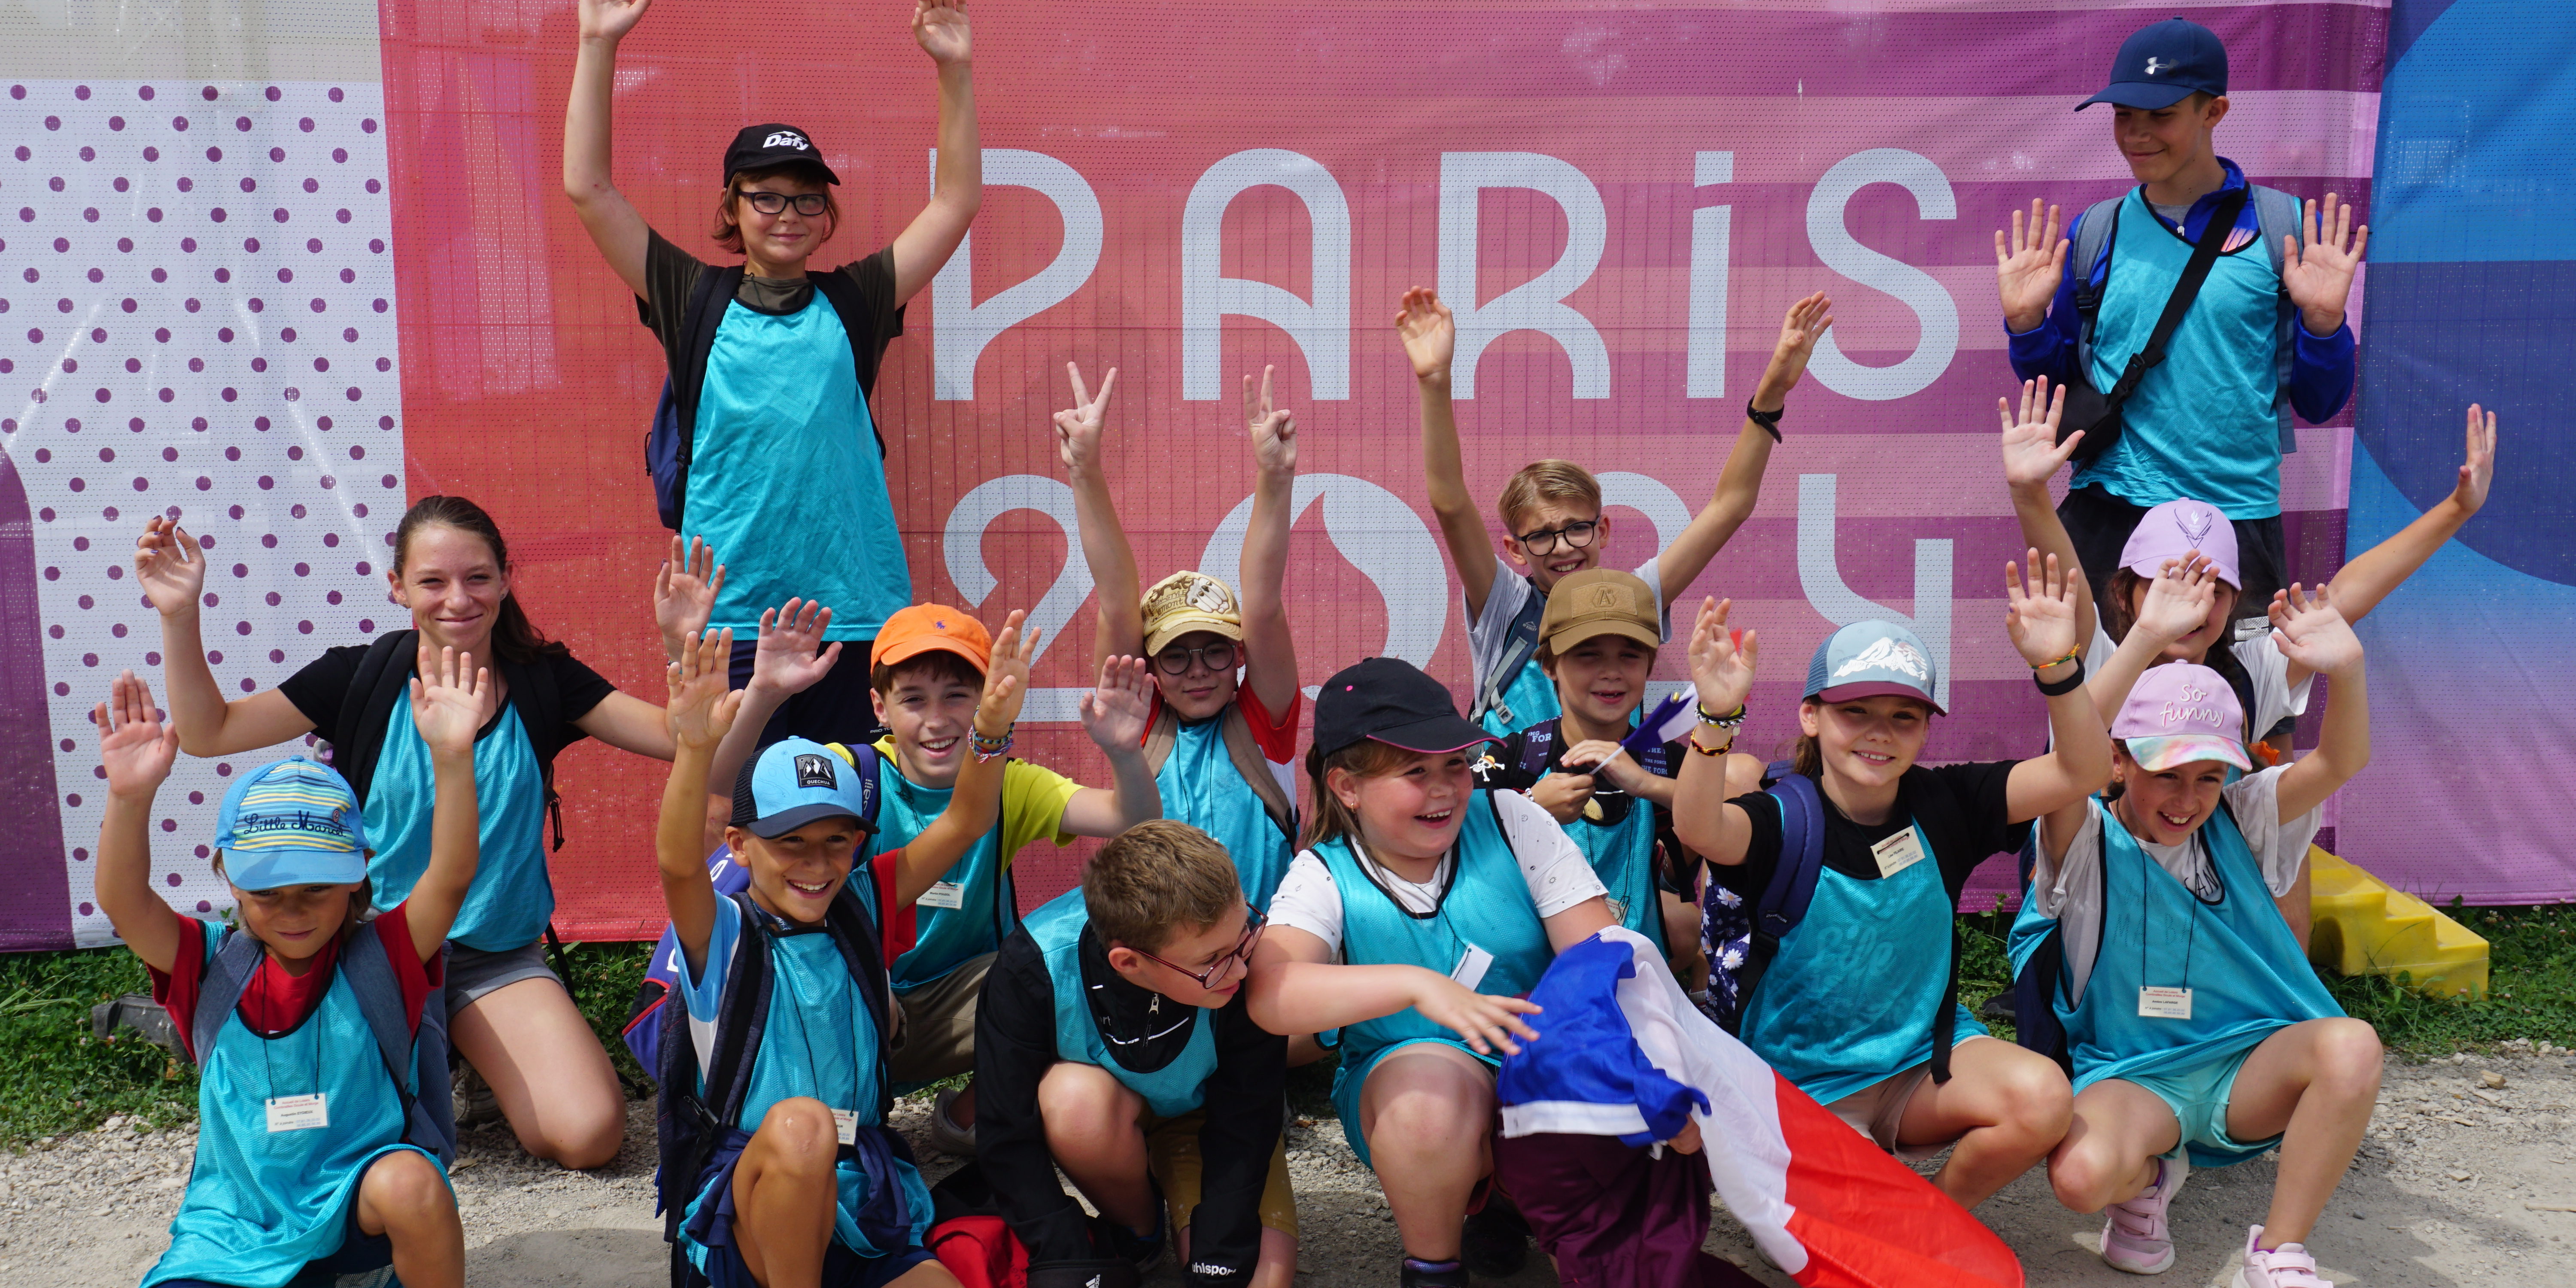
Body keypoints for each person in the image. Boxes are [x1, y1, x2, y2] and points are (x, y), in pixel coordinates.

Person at [137, 497, 680, 1169]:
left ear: (507, 579)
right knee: (332, 1147)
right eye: (433, 581)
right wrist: (179, 615)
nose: (459, 598)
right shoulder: (359, 678)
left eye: (478, 577)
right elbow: (208, 731)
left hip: (493, 957)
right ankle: (261, 1018)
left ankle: (475, 1060)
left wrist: (682, 650)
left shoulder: (544, 681)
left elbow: (679, 739)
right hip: (367, 953)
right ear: (398, 587)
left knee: (589, 1135)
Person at [562, 0, 982, 747]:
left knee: (846, 812)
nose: (787, 213)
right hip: (729, 617)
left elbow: (954, 204)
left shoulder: (857, 299)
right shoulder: (689, 295)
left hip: (851, 613)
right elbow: (588, 190)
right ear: (732, 206)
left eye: (807, 199)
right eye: (766, 196)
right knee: (742, 815)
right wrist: (597, 44)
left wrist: (954, 70)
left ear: (826, 215)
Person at [1667, 568, 2108, 1210]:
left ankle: (1940, 1223)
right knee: (1867, 1215)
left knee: (2042, 1098)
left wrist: (2058, 668)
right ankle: (1849, 1202)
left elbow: (2085, 770)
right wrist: (1715, 719)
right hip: (1802, 1087)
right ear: (1811, 717)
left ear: (1926, 730)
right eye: (1856, 713)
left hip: (1919, 1066)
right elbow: (1699, 826)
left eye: (1904, 717)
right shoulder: (1782, 821)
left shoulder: (1946, 802)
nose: (1880, 732)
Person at [650, 617, 1036, 1288]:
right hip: (754, 1203)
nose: (816, 863)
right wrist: (692, 747)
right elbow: (679, 863)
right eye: (789, 842)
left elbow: (969, 819)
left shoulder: (864, 902)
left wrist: (993, 730)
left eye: (837, 840)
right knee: (801, 1128)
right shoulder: (724, 932)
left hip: (862, 1193)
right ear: (740, 847)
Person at [712, 601, 1162, 1156]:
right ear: (880, 706)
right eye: (914, 699)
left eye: (957, 695)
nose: (938, 718)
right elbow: (730, 791)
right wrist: (764, 695)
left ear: (988, 701)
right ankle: (831, 1124)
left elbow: (1132, 821)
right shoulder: (851, 776)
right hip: (841, 1002)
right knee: (817, 1146)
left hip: (957, 1008)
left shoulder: (1009, 784)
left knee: (1067, 961)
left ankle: (972, 1114)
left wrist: (1123, 751)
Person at [2014, 605, 2378, 1287]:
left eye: (2209, 776)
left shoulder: (2243, 815)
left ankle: (2277, 1253)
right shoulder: (2083, 838)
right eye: (2168, 774)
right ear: (2117, 760)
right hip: (2134, 1075)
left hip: (2247, 1066)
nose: (2188, 799)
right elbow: (2069, 761)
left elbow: (2342, 760)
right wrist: (2137, 642)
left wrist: (2349, 670)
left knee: (2352, 1044)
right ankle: (2153, 1176)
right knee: (2079, 1180)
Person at [95, 656, 486, 1288]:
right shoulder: (208, 964)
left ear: (358, 873)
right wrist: (130, 794)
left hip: (358, 1215)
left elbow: (453, 872)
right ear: (230, 880)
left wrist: (452, 757)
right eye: (268, 892)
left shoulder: (386, 955)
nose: (293, 910)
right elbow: (123, 900)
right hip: (234, 1230)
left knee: (411, 1182)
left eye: (316, 889)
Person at [1247, 658, 1616, 1288]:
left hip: (1541, 1055)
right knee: (1426, 1099)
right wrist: (1419, 985)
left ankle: (1557, 1226)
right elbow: (1271, 995)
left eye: (1455, 765)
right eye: (1415, 771)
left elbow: (1602, 963)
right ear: (1346, 786)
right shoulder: (1323, 872)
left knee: (1591, 1066)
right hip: (1411, 1094)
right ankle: (1434, 1269)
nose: (1445, 788)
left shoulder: (1511, 816)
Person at [1994, 16, 2365, 612]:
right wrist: (2026, 326)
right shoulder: (2096, 231)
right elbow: (2057, 392)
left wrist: (2324, 325)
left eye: (2160, 116)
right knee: (2088, 702)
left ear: (2214, 112)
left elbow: (2320, 404)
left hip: (2234, 519)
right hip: (2108, 512)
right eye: (2124, 116)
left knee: (2232, 704)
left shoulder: (2285, 230)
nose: (2137, 135)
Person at [1397, 288, 1831, 736]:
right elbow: (1450, 503)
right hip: (1517, 797)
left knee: (1740, 777)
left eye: (1577, 528)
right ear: (1515, 549)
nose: (1564, 547)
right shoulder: (1505, 604)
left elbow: (1729, 507)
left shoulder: (1634, 596)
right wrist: (1434, 381)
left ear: (1602, 529)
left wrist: (1772, 391)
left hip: (1619, 790)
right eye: (1542, 536)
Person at [975, 820, 1298, 1288]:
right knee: (1071, 1100)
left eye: (1244, 936)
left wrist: (1217, 1256)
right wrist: (1063, 1256)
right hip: (1105, 1115)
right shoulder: (1033, 965)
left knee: (1255, 1280)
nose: (1242, 967)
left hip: (1213, 1120)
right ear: (1128, 963)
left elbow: (1248, 1119)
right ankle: (1139, 1234)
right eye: (1212, 961)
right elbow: (1005, 1129)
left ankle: (1179, 1223)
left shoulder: (1235, 959)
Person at [1056, 361, 1303, 908]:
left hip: (1257, 959)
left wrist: (1275, 476)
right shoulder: (1138, 727)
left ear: (1240, 656)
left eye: (1215, 652)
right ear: (1147, 668)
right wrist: (1085, 471)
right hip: (1159, 963)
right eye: (1175, 657)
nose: (1197, 671)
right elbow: (1117, 600)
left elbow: (1262, 606)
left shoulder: (1265, 725)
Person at [1470, 568, 1742, 980]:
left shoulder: (1666, 762)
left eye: (1629, 655)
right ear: (1549, 667)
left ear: (1650, 666)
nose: (1611, 671)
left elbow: (1738, 825)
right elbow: (1450, 845)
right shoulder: (1513, 757)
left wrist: (1646, 785)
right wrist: (1528, 809)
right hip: (1525, 985)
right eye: (1588, 654)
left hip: (1634, 982)